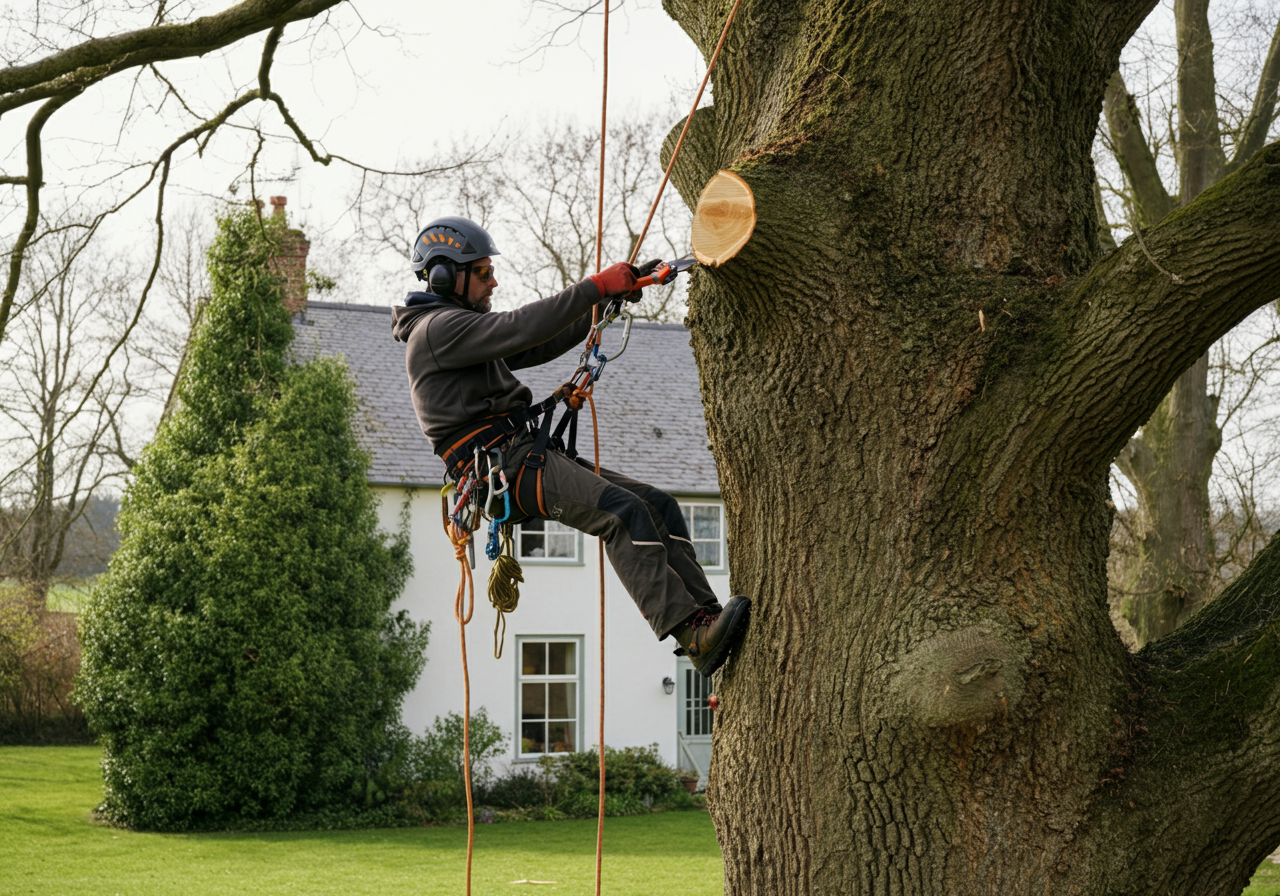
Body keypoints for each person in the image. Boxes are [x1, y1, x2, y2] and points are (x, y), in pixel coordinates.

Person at [391, 216, 749, 677]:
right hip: (500, 470)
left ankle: (706, 617)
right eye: (482, 273)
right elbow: (521, 326)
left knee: (656, 505)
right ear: (444, 275)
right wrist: (594, 286)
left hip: (521, 454)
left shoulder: (461, 327)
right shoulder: (436, 330)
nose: (493, 280)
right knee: (620, 513)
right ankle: (691, 634)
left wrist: (602, 304)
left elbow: (537, 342)